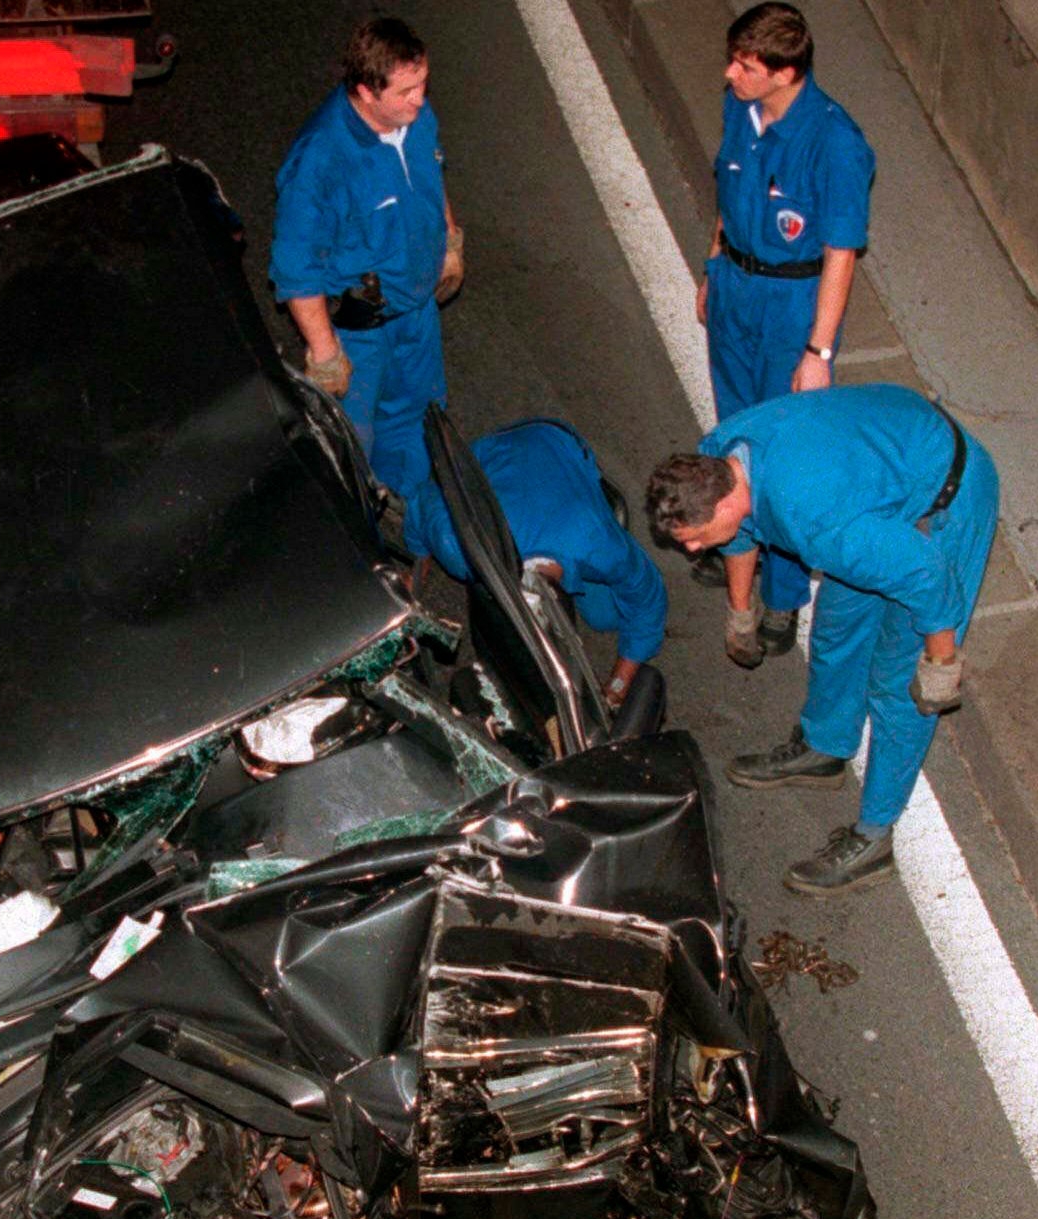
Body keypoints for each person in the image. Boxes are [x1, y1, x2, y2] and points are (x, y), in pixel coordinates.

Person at [645, 384, 996, 893]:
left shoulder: (817, 522)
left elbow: (927, 576)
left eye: (695, 536)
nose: (694, 549)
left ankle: (874, 839)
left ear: (724, 501)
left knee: (898, 687)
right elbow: (740, 533)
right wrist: (740, 612)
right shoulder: (719, 456)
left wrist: (942, 663)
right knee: (836, 631)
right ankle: (825, 747)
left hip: (944, 502)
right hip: (876, 476)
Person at [695, 2, 874, 659]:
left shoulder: (835, 144)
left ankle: (785, 594)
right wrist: (713, 263)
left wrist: (818, 351)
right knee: (735, 438)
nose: (730, 73)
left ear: (785, 73)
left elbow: (840, 252)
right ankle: (739, 552)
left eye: (745, 66)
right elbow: (726, 189)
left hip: (793, 302)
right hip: (738, 287)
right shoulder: (739, 109)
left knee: (786, 452)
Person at [271, 17, 463, 516]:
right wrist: (325, 352)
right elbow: (297, 269)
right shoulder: (320, 162)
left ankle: (413, 511)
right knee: (353, 439)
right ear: (364, 91)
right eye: (406, 91)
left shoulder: (416, 118)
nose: (420, 100)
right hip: (360, 332)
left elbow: (430, 178)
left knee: (419, 416)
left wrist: (449, 241)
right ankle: (362, 532)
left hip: (417, 313)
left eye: (423, 84)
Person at [406, 419, 668, 704]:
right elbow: (421, 501)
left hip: (554, 438)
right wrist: (417, 571)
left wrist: (618, 686)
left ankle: (592, 489)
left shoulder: (598, 545)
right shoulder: (460, 546)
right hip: (496, 454)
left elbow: (649, 598)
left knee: (606, 617)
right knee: (604, 612)